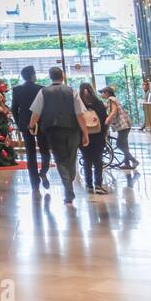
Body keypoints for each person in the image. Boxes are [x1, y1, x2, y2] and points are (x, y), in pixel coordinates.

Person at [28, 66, 91, 205]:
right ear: (62, 76)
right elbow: (80, 114)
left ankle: (68, 189)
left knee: (61, 160)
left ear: (50, 77)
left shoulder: (43, 92)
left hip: (54, 131)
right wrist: (85, 132)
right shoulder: (72, 92)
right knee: (72, 157)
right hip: (73, 130)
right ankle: (69, 184)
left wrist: (31, 126)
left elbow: (36, 113)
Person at [11, 65, 50, 192]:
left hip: (24, 124)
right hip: (41, 123)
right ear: (32, 75)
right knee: (44, 149)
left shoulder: (17, 90)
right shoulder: (42, 89)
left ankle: (34, 180)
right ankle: (43, 171)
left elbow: (14, 109)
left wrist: (19, 123)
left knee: (30, 152)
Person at [77, 82, 108, 195]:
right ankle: (98, 184)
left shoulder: (78, 104)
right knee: (98, 161)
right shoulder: (98, 103)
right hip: (98, 136)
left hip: (84, 137)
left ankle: (89, 184)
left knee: (86, 160)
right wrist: (104, 134)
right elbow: (104, 120)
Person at [103, 85, 137, 168]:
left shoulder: (111, 99)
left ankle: (134, 160)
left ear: (107, 93)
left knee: (119, 144)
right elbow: (108, 108)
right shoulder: (112, 100)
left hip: (123, 125)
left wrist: (107, 121)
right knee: (124, 144)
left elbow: (114, 111)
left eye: (102, 93)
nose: (102, 95)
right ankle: (127, 163)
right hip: (125, 124)